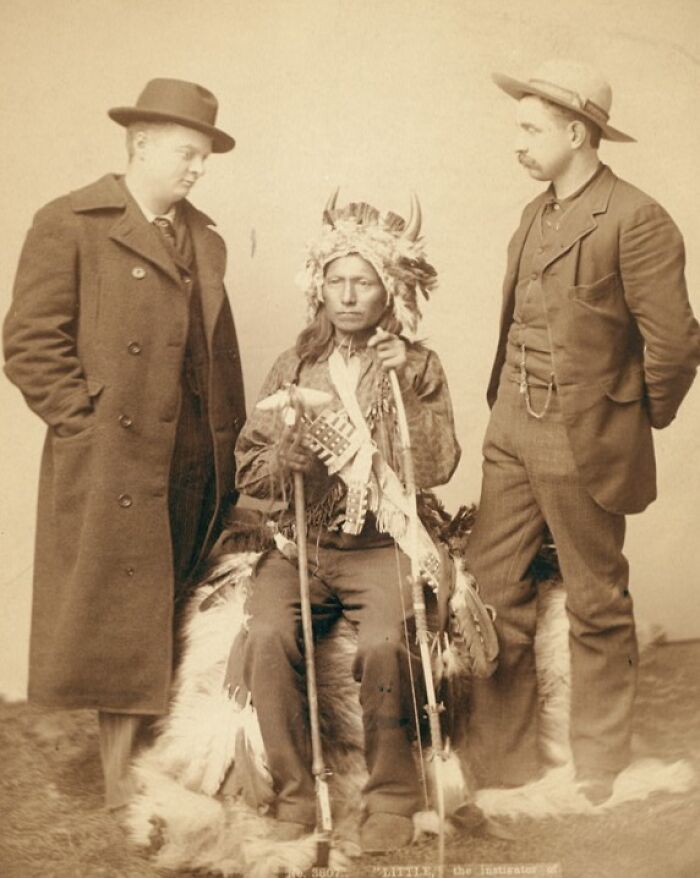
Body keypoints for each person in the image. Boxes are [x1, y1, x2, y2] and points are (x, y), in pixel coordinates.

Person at [3, 78, 246, 811]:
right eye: (186, 153)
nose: (198, 168)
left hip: (190, 459)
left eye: (205, 157)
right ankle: (119, 782)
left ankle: (160, 766)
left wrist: (228, 450)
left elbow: (219, 355)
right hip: (116, 457)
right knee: (122, 617)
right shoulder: (71, 221)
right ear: (140, 146)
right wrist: (85, 426)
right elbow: (28, 343)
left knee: (173, 607)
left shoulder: (202, 238)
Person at [464, 59, 700, 805]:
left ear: (577, 132)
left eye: (531, 130)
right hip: (509, 426)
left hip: (583, 434)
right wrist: (506, 406)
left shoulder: (637, 218)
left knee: (596, 597)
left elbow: (675, 343)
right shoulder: (534, 213)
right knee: (494, 587)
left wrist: (634, 418)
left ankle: (599, 762)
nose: (519, 143)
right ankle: (501, 762)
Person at [233, 194, 460, 852]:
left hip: (380, 547)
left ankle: (392, 795)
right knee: (269, 633)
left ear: (390, 291)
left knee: (383, 643)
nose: (349, 296)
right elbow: (249, 466)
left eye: (364, 283)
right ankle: (294, 796)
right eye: (337, 281)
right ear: (319, 287)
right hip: (302, 546)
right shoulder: (296, 365)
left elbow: (440, 462)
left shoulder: (418, 367)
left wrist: (405, 395)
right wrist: (287, 459)